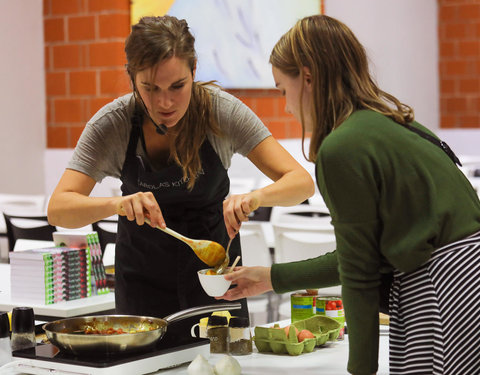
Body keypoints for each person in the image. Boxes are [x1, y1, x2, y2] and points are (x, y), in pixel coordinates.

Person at [220, 15, 480, 375]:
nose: (286, 106)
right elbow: (360, 255)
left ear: (308, 78)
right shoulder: (392, 121)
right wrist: (272, 278)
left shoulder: (341, 147)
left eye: (283, 89)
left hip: (443, 291)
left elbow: (359, 275)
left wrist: (361, 370)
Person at [47, 15, 314, 340]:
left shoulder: (221, 112)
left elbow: (301, 183)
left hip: (217, 287)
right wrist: (117, 203)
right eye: (150, 88)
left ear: (194, 71)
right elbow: (59, 208)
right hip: (141, 292)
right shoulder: (112, 125)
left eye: (177, 86)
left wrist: (255, 198)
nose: (165, 102)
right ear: (132, 77)